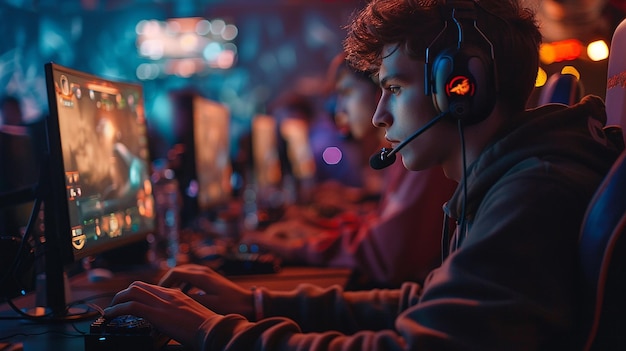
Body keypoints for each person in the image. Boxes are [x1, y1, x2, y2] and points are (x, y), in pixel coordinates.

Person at [104, 0, 624, 349]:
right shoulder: (511, 179)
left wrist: (216, 332)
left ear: (461, 87)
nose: (378, 116)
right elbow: (425, 302)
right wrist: (253, 301)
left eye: (393, 88)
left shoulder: (533, 192)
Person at [246, 53, 457, 290]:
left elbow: (388, 257)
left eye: (346, 92)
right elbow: (384, 229)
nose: (339, 109)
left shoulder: (423, 154)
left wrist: (299, 245)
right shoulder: (408, 153)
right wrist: (315, 230)